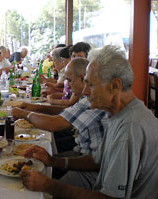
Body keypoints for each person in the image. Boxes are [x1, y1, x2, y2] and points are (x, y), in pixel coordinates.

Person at [20, 45, 158, 199]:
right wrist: (53, 161)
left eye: (91, 85)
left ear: (115, 86)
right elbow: (96, 161)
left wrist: (49, 185)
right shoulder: (117, 114)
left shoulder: (129, 127)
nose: (85, 91)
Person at [13, 58, 108, 155]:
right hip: (82, 147)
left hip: (85, 155)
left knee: (37, 149)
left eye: (69, 81)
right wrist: (36, 107)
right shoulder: (86, 98)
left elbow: (52, 124)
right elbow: (68, 111)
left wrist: (23, 114)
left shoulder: (90, 100)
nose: (68, 87)